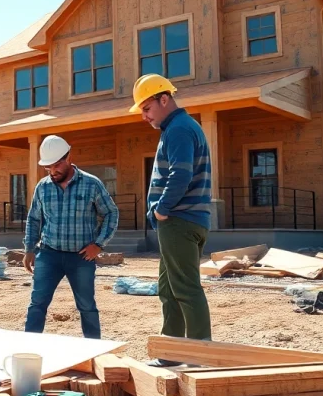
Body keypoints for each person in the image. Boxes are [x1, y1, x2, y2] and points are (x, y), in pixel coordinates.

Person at [131, 74, 212, 365]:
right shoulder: (178, 128)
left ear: (164, 99)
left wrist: (162, 209)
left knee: (186, 288)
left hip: (179, 220)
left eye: (146, 108)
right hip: (180, 222)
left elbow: (181, 174)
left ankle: (201, 354)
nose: (144, 116)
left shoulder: (178, 129)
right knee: (168, 288)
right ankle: (172, 352)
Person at [22, 135, 119, 339]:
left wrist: (99, 245)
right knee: (37, 303)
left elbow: (111, 212)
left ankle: (94, 351)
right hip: (48, 255)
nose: (53, 172)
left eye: (57, 165)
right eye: (48, 168)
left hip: (81, 257)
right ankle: (29, 349)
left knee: (87, 306)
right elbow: (33, 219)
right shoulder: (43, 187)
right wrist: (29, 249)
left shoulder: (91, 184)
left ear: (68, 158)